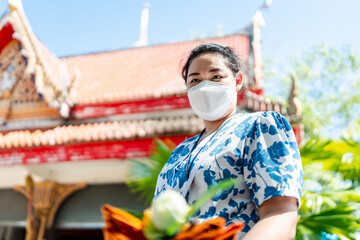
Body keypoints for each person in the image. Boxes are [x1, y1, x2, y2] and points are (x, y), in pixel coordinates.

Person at [154, 43, 303, 239]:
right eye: (195, 80)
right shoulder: (179, 153)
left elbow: (280, 215)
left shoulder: (260, 126)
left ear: (237, 80)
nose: (205, 87)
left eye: (216, 77)